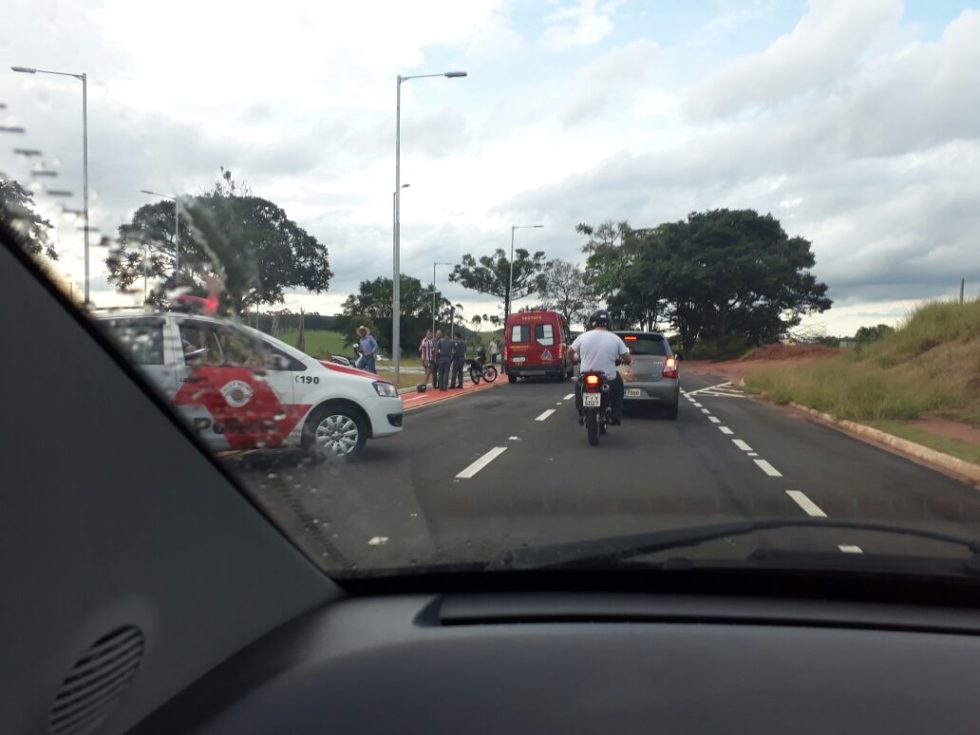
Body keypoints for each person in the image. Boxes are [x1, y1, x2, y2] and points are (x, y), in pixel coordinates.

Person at [567, 309, 632, 425]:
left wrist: (574, 360)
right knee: (619, 384)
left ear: (592, 322)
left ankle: (581, 411)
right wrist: (624, 361)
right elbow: (627, 358)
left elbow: (570, 352)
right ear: (608, 323)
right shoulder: (615, 338)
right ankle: (616, 415)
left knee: (578, 383)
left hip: (586, 375)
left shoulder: (582, 336)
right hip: (608, 378)